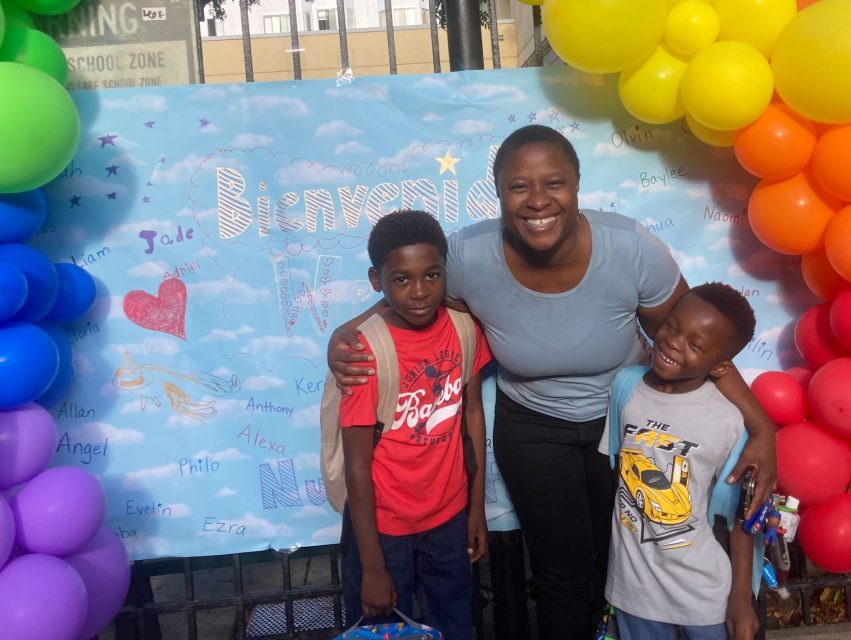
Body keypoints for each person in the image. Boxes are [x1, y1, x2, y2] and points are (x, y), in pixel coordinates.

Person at [329, 125, 776, 640]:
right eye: (519, 186)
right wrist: (348, 330)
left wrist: (759, 424)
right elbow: (408, 280)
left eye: (554, 183)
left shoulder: (630, 248)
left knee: (626, 558)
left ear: (578, 185)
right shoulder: (469, 255)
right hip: (534, 427)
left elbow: (696, 340)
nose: (537, 200)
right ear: (498, 193)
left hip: (625, 421)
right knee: (560, 573)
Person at [338, 210, 492, 640]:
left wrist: (475, 509)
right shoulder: (365, 351)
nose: (420, 291)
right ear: (377, 281)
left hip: (448, 518)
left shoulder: (463, 329)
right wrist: (371, 565)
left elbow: (473, 415)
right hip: (383, 530)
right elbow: (356, 464)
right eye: (401, 279)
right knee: (385, 630)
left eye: (432, 275)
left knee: (456, 625)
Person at [599, 283, 760, 640]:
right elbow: (618, 472)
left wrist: (740, 599)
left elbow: (741, 517)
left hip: (705, 598)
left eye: (695, 344)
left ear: (720, 366)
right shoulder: (625, 388)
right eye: (672, 326)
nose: (673, 341)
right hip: (633, 593)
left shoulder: (728, 421)